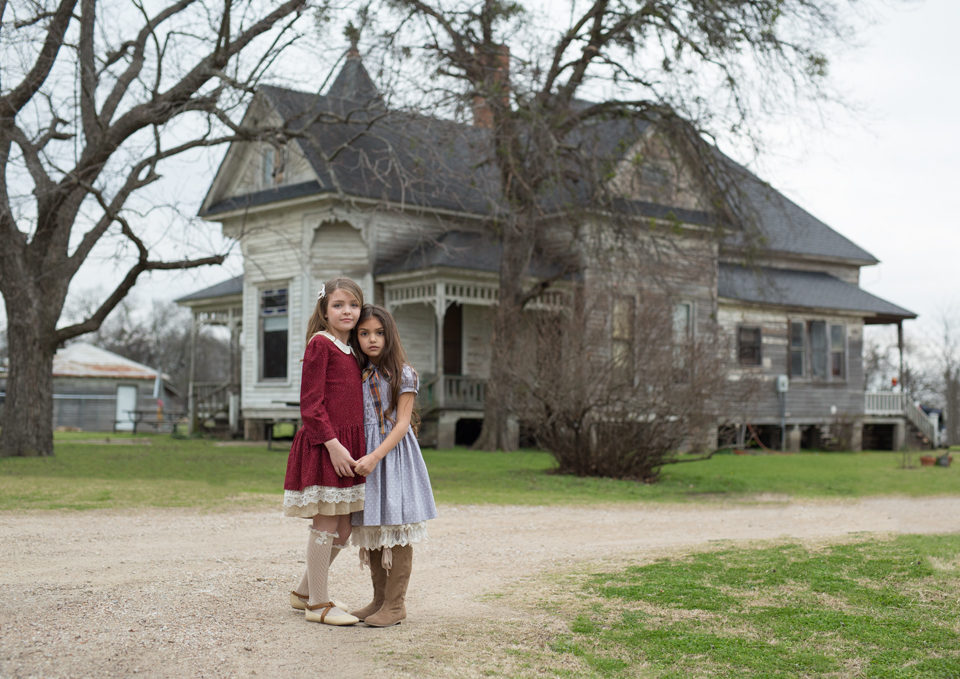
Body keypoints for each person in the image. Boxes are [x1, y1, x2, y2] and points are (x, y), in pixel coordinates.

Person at [283, 277, 366, 626]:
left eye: (353, 305)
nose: (346, 311)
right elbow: (311, 404)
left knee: (344, 530)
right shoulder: (321, 344)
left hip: (350, 446)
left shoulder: (353, 350)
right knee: (327, 523)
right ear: (325, 310)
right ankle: (318, 605)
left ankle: (304, 593)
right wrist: (332, 445)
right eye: (338, 305)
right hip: (326, 444)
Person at [350, 304, 438, 627]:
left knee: (397, 526)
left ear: (390, 335)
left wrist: (375, 456)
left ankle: (396, 604)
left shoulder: (404, 373)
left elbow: (401, 425)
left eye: (378, 332)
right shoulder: (357, 374)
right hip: (366, 458)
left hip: (393, 457)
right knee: (373, 524)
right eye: (364, 333)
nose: (372, 339)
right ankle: (379, 600)